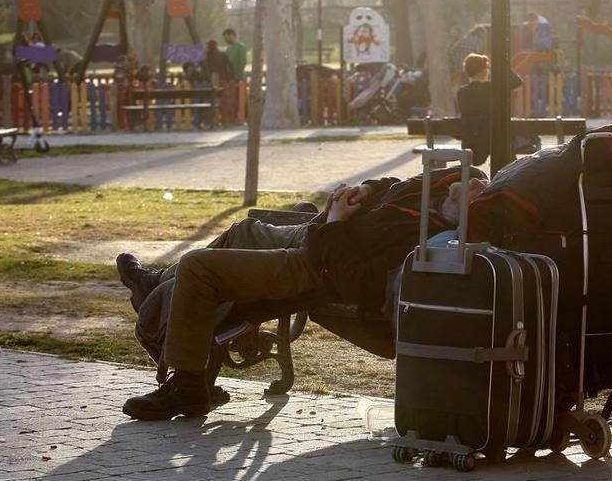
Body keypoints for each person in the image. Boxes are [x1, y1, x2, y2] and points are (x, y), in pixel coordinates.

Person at [117, 168, 488, 420]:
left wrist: (336, 224)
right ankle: (164, 303)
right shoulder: (447, 180)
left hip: (314, 263)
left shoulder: (423, 238)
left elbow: (354, 282)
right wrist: (365, 191)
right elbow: (397, 181)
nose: (471, 190)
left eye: (476, 198)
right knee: (242, 230)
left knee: (200, 265)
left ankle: (185, 382)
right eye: (471, 185)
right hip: (318, 235)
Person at [456, 53, 527, 166]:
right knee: (505, 148)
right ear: (484, 70)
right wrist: (503, 63)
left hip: (471, 145)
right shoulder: (492, 88)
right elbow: (517, 81)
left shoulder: (461, 93)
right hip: (494, 140)